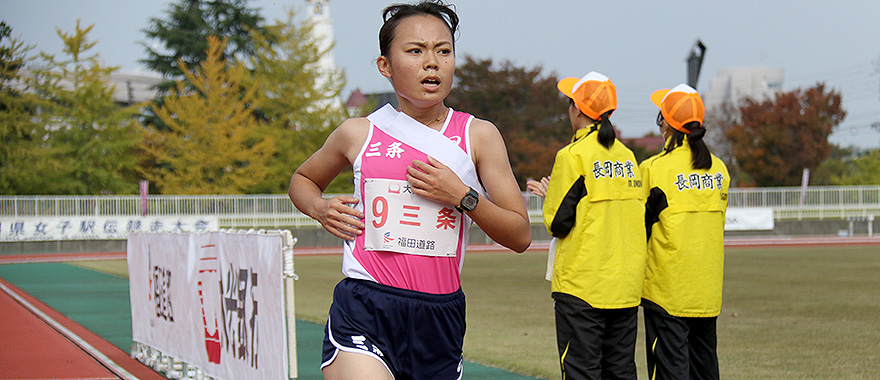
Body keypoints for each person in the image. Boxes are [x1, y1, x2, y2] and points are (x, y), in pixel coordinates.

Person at [287, 2, 532, 379]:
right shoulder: (359, 132)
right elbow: (302, 181)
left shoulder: (479, 136)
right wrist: (320, 208)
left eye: (443, 51)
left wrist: (462, 196)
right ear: (385, 66)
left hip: (439, 315)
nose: (431, 63)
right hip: (366, 306)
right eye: (415, 51)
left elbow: (519, 235)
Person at [542, 71, 646, 380]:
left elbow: (557, 222)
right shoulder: (628, 156)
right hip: (625, 285)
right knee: (621, 370)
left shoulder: (573, 155)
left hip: (583, 285)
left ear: (577, 109)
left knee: (581, 371)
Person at [639, 84, 729, 380]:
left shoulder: (654, 169)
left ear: (665, 123)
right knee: (705, 371)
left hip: (667, 292)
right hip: (706, 291)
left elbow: (639, 227)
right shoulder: (719, 169)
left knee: (669, 373)